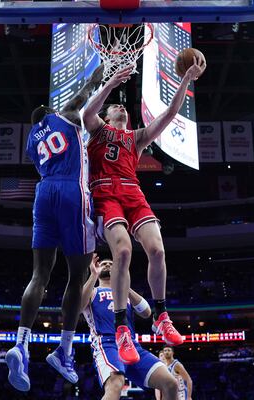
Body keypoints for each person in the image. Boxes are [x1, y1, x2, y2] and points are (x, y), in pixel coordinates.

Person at [83, 58, 206, 364]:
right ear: (108, 115)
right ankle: (123, 326)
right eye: (116, 108)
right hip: (105, 192)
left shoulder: (136, 138)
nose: (121, 110)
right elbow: (86, 113)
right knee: (123, 252)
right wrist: (110, 84)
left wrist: (186, 79)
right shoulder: (98, 131)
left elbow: (171, 114)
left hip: (132, 191)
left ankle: (161, 315)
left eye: (123, 109)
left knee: (158, 251)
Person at [5, 64, 104, 392]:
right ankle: (63, 351)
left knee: (39, 275)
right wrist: (96, 78)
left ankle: (20, 343)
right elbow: (83, 96)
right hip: (71, 192)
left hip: (43, 192)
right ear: (49, 112)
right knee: (77, 277)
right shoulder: (65, 117)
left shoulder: (32, 142)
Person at [81, 256, 179, 400]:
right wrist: (93, 275)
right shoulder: (93, 291)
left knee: (171, 383)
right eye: (103, 264)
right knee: (116, 384)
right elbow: (77, 307)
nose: (107, 265)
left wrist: (124, 284)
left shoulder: (124, 294)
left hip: (132, 345)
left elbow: (146, 312)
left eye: (111, 264)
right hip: (107, 344)